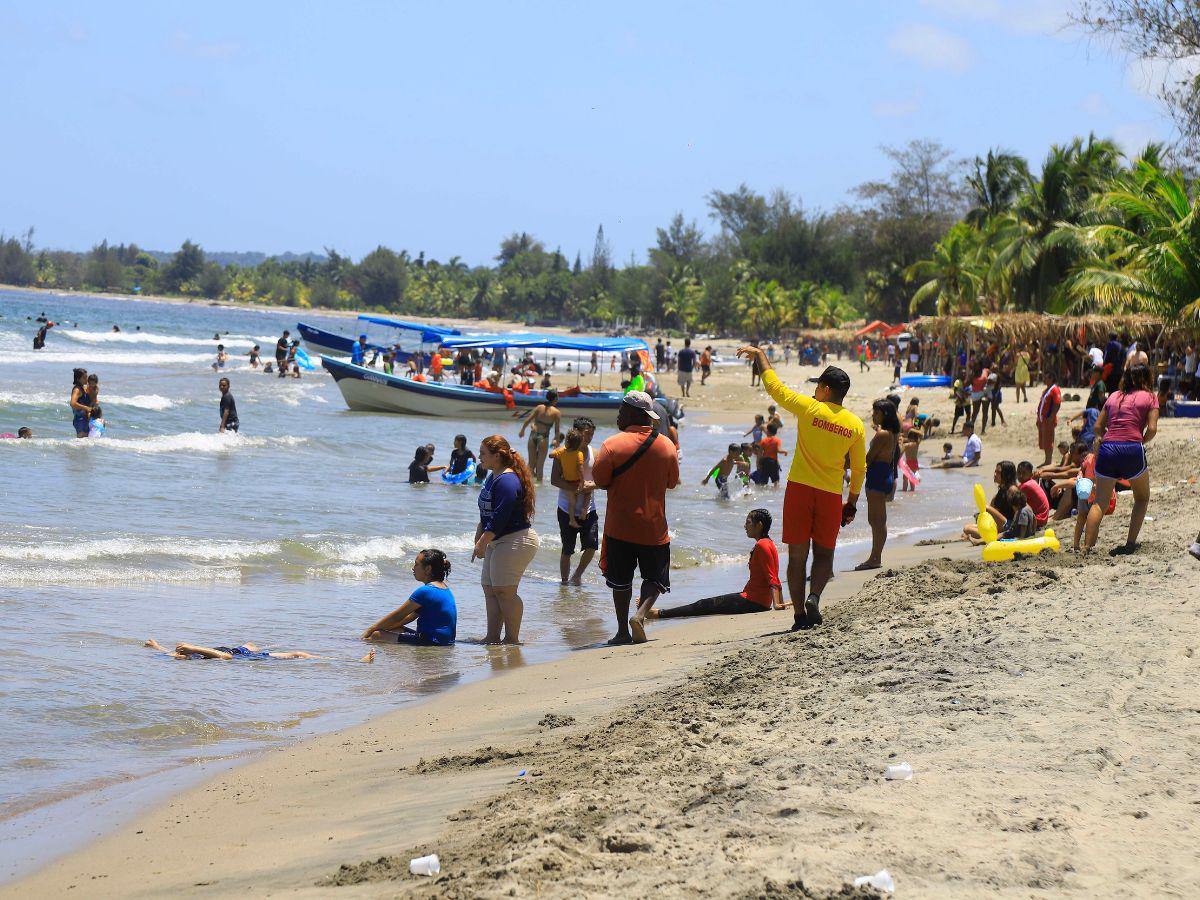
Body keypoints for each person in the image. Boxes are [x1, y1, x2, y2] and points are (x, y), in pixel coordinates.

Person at [737, 346, 865, 630]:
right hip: (831, 494)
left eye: (818, 386)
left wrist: (760, 355)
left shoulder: (809, 408)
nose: (815, 390)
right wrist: (852, 501)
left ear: (825, 389)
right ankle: (815, 597)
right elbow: (858, 469)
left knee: (797, 556)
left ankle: (798, 616)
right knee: (824, 554)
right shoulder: (855, 425)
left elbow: (774, 387)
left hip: (799, 490)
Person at [591, 391, 680, 644]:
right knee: (655, 578)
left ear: (633, 413)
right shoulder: (666, 445)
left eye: (621, 410)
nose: (618, 415)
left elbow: (599, 480)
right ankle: (640, 615)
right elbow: (672, 482)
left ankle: (622, 631)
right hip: (654, 527)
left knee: (621, 581)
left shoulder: (611, 445)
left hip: (619, 527)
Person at [651, 510, 784, 619]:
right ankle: (660, 613)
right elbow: (775, 577)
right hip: (756, 600)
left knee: (703, 605)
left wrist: (776, 604)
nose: (745, 526)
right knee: (706, 604)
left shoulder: (762, 545)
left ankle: (659, 614)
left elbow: (771, 577)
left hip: (753, 602)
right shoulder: (769, 543)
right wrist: (779, 602)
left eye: (748, 523)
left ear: (759, 525)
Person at [1082, 364, 1158, 557]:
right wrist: (1141, 440)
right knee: (1141, 497)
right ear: (1147, 378)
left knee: (1100, 502)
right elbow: (1152, 428)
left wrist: (1110, 437)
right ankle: (1130, 543)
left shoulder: (1114, 396)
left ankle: (1086, 548)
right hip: (1132, 448)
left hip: (1108, 448)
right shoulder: (1150, 397)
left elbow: (1098, 427)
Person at [474, 435, 539, 644]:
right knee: (490, 589)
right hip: (496, 539)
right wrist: (479, 538)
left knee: (505, 591)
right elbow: (486, 512)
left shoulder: (507, 480)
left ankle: (512, 639)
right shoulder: (493, 476)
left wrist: (483, 541)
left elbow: (500, 516)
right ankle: (492, 637)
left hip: (515, 540)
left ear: (497, 456)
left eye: (483, 453)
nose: (479, 457)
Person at [362, 549, 457, 646]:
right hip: (444, 641)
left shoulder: (426, 591)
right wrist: (385, 627)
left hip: (433, 642)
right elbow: (409, 617)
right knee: (395, 629)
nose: (413, 568)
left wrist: (371, 629)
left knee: (376, 635)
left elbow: (397, 615)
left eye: (416, 564)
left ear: (428, 569)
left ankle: (367, 652)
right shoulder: (444, 588)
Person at [550, 417, 599, 585]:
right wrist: (575, 488)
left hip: (589, 507)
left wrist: (589, 487)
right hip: (566, 508)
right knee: (567, 549)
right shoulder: (562, 453)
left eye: (592, 434)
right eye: (586, 434)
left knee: (592, 545)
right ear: (576, 432)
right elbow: (554, 480)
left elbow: (601, 480)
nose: (589, 437)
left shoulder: (596, 454)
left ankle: (577, 575)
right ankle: (564, 583)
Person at [856, 399, 901, 570]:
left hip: (877, 474)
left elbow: (869, 457)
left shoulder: (883, 434)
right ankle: (875, 556)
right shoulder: (891, 432)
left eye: (876, 412)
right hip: (884, 473)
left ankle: (875, 558)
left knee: (877, 520)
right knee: (876, 519)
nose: (873, 415)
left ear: (885, 414)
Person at [145, 638, 374, 663]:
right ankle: (354, 661)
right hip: (235, 655)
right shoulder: (190, 656)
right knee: (299, 654)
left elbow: (166, 651)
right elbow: (224, 657)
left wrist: (157, 646)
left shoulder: (184, 655)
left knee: (251, 643)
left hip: (237, 650)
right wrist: (193, 648)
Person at [962, 461, 1019, 544]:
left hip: (1009, 526)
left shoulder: (1012, 490)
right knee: (967, 528)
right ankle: (988, 535)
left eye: (998, 472)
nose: (995, 474)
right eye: (995, 471)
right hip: (999, 526)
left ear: (1007, 475)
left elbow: (1019, 512)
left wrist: (1015, 531)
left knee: (986, 508)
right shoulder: (1000, 492)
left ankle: (989, 537)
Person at [549, 429, 590, 528]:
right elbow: (580, 469)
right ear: (579, 444)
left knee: (572, 501)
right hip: (576, 480)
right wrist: (582, 481)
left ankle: (572, 519)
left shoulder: (561, 452)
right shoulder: (578, 454)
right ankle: (582, 513)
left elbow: (551, 455)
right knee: (588, 491)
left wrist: (555, 452)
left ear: (566, 441)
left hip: (567, 481)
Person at [518, 389, 561, 482]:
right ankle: (539, 486)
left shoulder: (539, 407)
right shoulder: (556, 412)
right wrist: (556, 442)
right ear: (555, 399)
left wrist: (522, 431)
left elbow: (528, 420)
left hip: (533, 436)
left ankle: (527, 484)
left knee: (530, 464)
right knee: (540, 466)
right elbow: (557, 430)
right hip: (544, 437)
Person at [1036, 371, 1061, 467]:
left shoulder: (1055, 389)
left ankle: (1048, 460)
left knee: (1048, 439)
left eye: (1046, 378)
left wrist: (1052, 416)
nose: (1044, 380)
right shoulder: (1047, 389)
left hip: (1048, 419)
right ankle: (1047, 459)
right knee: (1044, 440)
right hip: (1043, 419)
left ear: (1051, 379)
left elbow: (1057, 403)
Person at [1015, 461, 1051, 526]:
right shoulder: (1031, 482)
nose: (1021, 476)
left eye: (1024, 473)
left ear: (1031, 475)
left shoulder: (1026, 486)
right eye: (1019, 472)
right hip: (1043, 518)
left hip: (1038, 520)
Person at [69, 368, 91, 439]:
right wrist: (86, 408)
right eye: (84, 377)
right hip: (80, 420)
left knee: (85, 445)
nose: (86, 379)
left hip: (85, 419)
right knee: (81, 444)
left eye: (86, 377)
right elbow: (72, 403)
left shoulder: (83, 388)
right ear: (78, 379)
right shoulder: (77, 390)